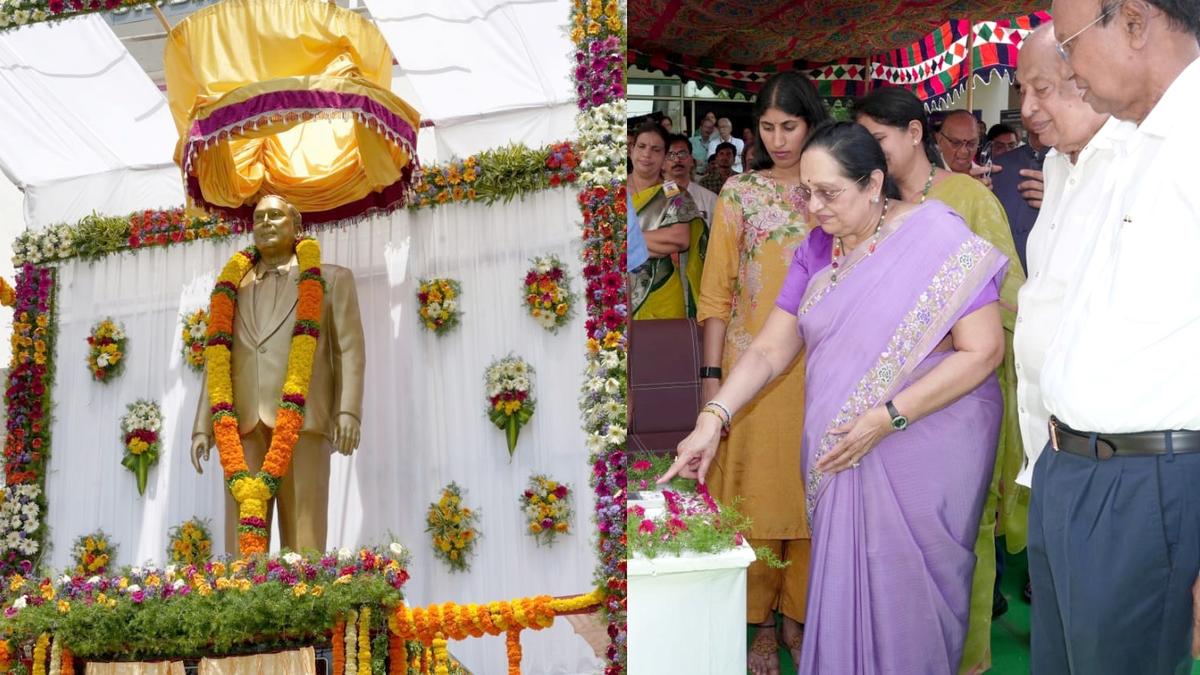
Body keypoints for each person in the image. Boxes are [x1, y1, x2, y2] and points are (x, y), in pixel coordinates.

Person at [662, 121, 1008, 674]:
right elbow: (772, 348)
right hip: (845, 452)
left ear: (874, 184)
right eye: (806, 191)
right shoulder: (817, 250)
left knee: (909, 602)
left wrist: (887, 417)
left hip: (920, 447)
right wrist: (713, 416)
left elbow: (983, 351)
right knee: (849, 587)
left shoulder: (939, 239)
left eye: (830, 193)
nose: (814, 207)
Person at [1029, 0, 1200, 671]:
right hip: (1071, 467)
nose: (1066, 67)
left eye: (1070, 43)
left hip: (1144, 481)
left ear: (1133, 22)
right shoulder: (1135, 144)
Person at [855, 86, 1026, 674]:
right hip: (881, 402)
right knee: (892, 540)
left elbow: (1009, 299)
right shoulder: (868, 205)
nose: (868, 152)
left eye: (877, 139)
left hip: (954, 397)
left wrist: (934, 335)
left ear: (911, 134)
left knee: (959, 535)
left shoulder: (967, 200)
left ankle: (965, 661)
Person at [694, 71, 829, 674]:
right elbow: (716, 292)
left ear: (812, 124)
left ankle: (798, 617)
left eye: (790, 126)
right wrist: (711, 376)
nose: (778, 139)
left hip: (823, 370)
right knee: (750, 498)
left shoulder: (833, 191)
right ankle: (757, 628)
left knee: (813, 494)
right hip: (753, 376)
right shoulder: (740, 194)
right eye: (768, 128)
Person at [191, 195, 365, 554]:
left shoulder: (331, 279)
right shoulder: (229, 290)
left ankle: (307, 606)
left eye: (275, 216)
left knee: (305, 534)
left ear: (296, 226)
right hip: (241, 426)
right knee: (242, 542)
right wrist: (202, 426)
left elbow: (348, 349)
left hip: (304, 421)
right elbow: (217, 359)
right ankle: (242, 604)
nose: (265, 223)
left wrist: (348, 411)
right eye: (258, 218)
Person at [629, 122, 706, 319]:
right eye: (642, 147)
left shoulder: (673, 192)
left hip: (663, 294)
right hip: (617, 292)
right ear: (631, 150)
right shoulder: (610, 190)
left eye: (656, 150)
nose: (647, 155)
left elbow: (679, 239)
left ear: (664, 158)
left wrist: (622, 240)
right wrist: (653, 243)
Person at [664, 135, 717, 225]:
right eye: (670, 155)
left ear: (692, 160)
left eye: (682, 154)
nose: (677, 160)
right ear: (662, 162)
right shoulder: (653, 199)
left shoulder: (710, 199)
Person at [937, 110, 983, 174]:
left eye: (971, 144)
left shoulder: (984, 176)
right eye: (956, 143)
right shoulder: (927, 176)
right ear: (940, 141)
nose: (964, 151)